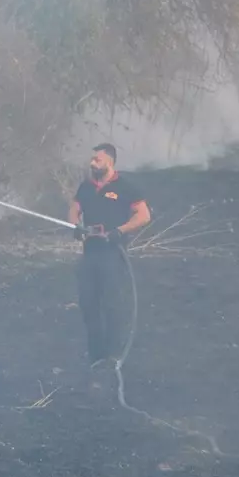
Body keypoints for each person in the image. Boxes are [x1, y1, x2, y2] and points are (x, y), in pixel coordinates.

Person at [67, 143, 151, 370]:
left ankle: (113, 356)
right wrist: (75, 224)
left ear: (110, 162)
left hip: (113, 255)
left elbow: (143, 215)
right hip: (90, 254)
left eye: (97, 159)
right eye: (92, 159)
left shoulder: (125, 187)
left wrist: (120, 231)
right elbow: (74, 207)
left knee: (112, 305)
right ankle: (96, 356)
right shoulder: (86, 187)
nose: (92, 163)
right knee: (89, 304)